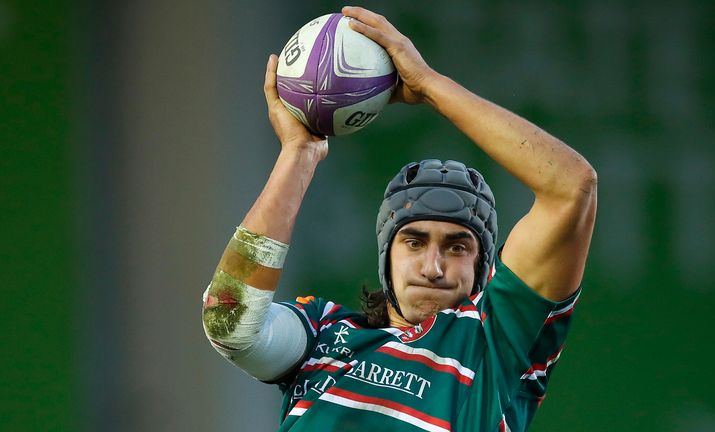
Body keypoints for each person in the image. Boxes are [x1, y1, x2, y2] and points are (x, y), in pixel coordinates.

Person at [202, 6, 597, 431]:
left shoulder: (495, 349)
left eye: (457, 246)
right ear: (386, 254)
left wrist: (429, 86)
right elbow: (229, 322)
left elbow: (572, 187)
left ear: (485, 266)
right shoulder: (323, 334)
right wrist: (298, 155)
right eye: (414, 241)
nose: (433, 267)